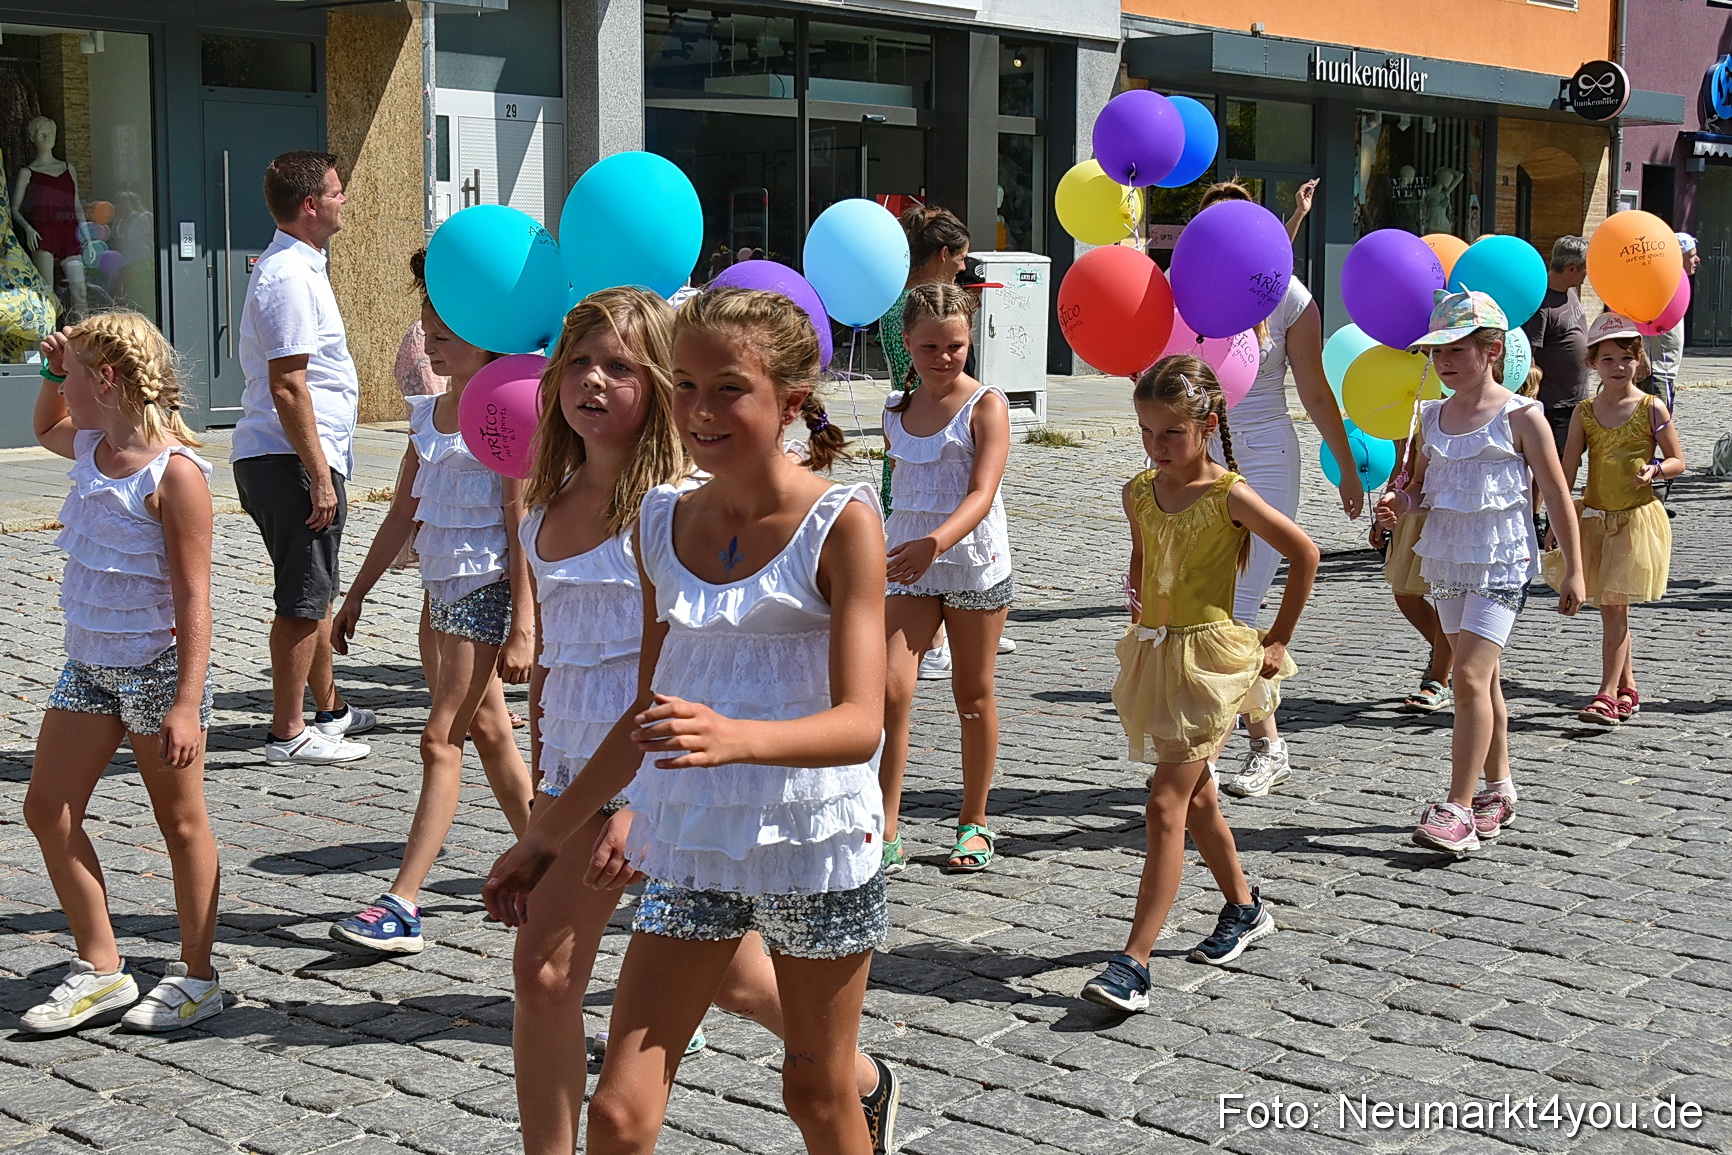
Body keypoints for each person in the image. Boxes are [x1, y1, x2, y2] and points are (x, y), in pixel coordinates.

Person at [483, 287, 893, 1155]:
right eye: (688, 386)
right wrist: (545, 836)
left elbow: (862, 723)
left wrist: (736, 737)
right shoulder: (662, 522)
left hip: (813, 842)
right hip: (692, 846)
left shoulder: (842, 521)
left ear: (790, 400)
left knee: (819, 1095)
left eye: (729, 388)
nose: (702, 411)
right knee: (619, 1115)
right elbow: (644, 710)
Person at [1081, 355, 1317, 1013]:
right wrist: (1138, 612)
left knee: (1165, 806)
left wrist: (1278, 637)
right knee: (1200, 797)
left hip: (1212, 665)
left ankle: (1134, 962)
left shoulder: (1228, 495)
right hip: (1158, 658)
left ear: (1209, 425)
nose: (1158, 448)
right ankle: (1244, 906)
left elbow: (1305, 553)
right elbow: (1141, 554)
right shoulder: (1138, 490)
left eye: (1171, 435)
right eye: (1147, 433)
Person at [21, 313, 223, 1032]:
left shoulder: (175, 476)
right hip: (89, 665)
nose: (62, 386)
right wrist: (50, 372)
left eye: (72, 373)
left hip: (157, 670)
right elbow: (45, 424)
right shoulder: (88, 447)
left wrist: (186, 700)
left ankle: (198, 973)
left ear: (104, 380)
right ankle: (102, 967)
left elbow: (197, 596)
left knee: (180, 821)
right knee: (47, 807)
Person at [327, 286, 535, 953]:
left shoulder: (505, 408)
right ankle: (546, 860)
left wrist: (525, 620)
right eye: (427, 331)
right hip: (437, 591)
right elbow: (401, 514)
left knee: (439, 737)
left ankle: (404, 901)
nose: (429, 343)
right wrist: (354, 592)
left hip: (487, 588)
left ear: (484, 336)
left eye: (444, 333)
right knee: (491, 731)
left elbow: (518, 518)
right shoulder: (427, 413)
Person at [1378, 290, 1585, 855]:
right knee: (1484, 681)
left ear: (1492, 351)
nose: (1444, 362)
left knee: (1466, 678)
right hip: (1449, 556)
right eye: (1436, 353)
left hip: (1503, 559)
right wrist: (1403, 502)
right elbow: (1421, 485)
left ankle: (1459, 808)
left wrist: (1572, 568)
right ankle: (1501, 787)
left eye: (1458, 351)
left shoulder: (1524, 416)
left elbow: (1557, 494)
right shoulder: (1432, 416)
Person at [1185, 181, 1361, 800]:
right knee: (1209, 605)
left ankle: (1254, 746)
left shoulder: (1289, 299)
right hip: (1198, 453)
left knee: (1241, 606)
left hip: (1264, 451)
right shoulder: (1183, 291)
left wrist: (1345, 464)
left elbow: (1314, 390)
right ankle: (1260, 742)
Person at [230, 151, 374, 764]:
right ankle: (287, 734)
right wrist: (319, 474)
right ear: (311, 204)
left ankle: (329, 709)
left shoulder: (302, 266)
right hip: (290, 460)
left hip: (299, 457)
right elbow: (289, 384)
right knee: (303, 596)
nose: (345, 201)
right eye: (337, 193)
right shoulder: (288, 275)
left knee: (316, 587)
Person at [877, 284, 1012, 876]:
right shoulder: (894, 410)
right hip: (907, 562)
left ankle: (974, 821)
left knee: (972, 694)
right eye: (929, 346)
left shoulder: (987, 405)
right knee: (888, 690)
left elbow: (982, 493)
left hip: (970, 562)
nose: (942, 357)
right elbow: (897, 490)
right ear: (907, 344)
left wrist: (938, 542)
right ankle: (883, 823)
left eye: (954, 345)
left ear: (969, 341)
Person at [1550, 314, 1684, 725]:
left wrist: (1656, 470)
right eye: (1608, 359)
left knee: (1613, 606)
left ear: (1639, 361)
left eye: (1626, 358)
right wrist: (1558, 522)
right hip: (1594, 518)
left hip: (1635, 521)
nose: (1618, 367)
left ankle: (1606, 693)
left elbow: (1679, 460)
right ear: (1593, 364)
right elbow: (1567, 469)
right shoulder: (1585, 413)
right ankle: (1627, 687)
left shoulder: (1650, 407)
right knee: (1612, 605)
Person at [879, 204, 979, 680]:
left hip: (907, 429)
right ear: (943, 253)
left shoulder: (895, 302)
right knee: (919, 529)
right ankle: (936, 639)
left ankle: (947, 628)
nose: (965, 264)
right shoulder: (928, 310)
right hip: (924, 428)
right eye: (961, 257)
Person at [1371, 435, 1452, 714]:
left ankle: (1438, 679)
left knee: (1447, 596)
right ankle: (1450, 652)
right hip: (1412, 510)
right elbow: (1402, 466)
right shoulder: (1412, 407)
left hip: (1451, 511)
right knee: (1405, 593)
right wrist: (1383, 516)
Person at [1521, 235, 1591, 457]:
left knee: (1573, 461)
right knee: (1556, 466)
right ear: (1572, 268)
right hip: (1555, 407)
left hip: (1577, 401)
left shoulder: (1571, 290)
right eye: (1584, 269)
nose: (1587, 274)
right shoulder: (1541, 306)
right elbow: (1528, 357)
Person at [1641, 232, 1697, 415]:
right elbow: (1636, 322)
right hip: (1654, 373)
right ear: (1677, 258)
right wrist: (1641, 355)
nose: (1697, 259)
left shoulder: (1677, 285)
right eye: (1691, 255)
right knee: (1654, 430)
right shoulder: (1658, 287)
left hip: (1666, 373)